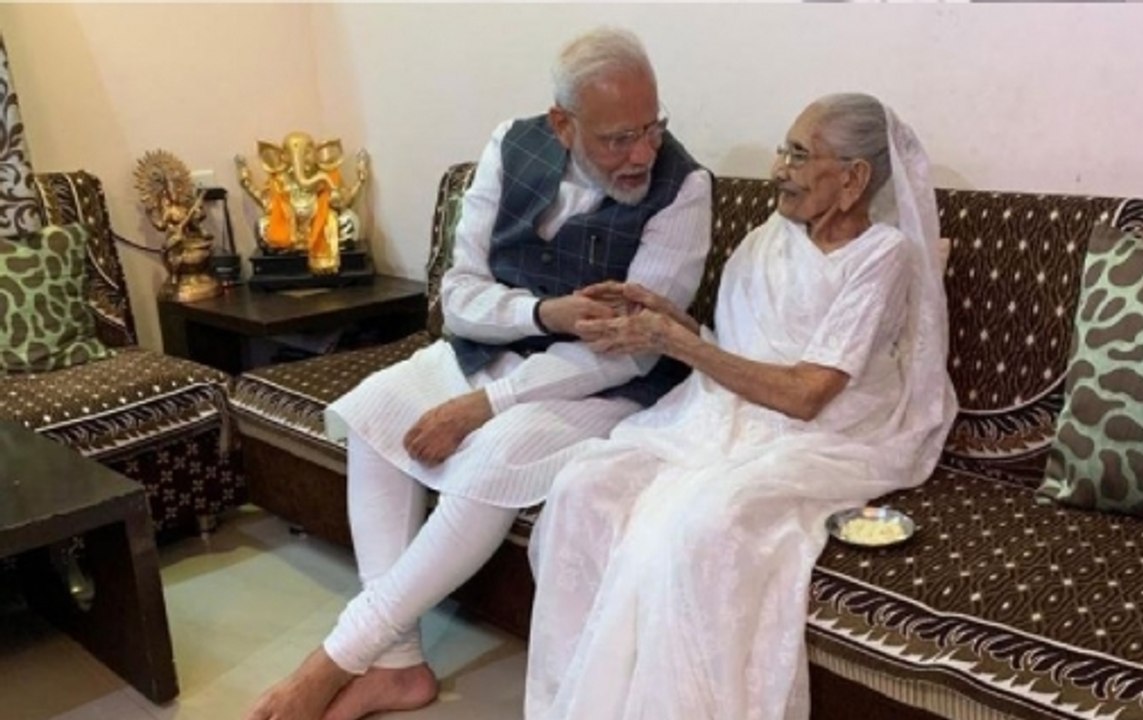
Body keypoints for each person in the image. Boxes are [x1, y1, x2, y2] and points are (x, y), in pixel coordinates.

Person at [244, 27, 712, 720]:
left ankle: (334, 660)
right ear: (561, 123)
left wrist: (488, 403)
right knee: (379, 409)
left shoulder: (684, 188)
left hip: (605, 385)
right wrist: (543, 313)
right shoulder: (508, 145)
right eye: (617, 138)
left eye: (652, 127)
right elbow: (458, 295)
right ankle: (399, 664)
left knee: (495, 452)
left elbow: (632, 348)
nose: (642, 153)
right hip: (499, 345)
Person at [525, 93, 958, 720]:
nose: (778, 168)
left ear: (855, 178)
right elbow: (734, 351)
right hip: (722, 412)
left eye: (799, 155)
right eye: (783, 150)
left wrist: (674, 342)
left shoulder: (882, 256)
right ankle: (572, 702)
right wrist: (661, 314)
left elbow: (808, 394)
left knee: (702, 523)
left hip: (829, 433)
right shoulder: (769, 238)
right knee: (581, 486)